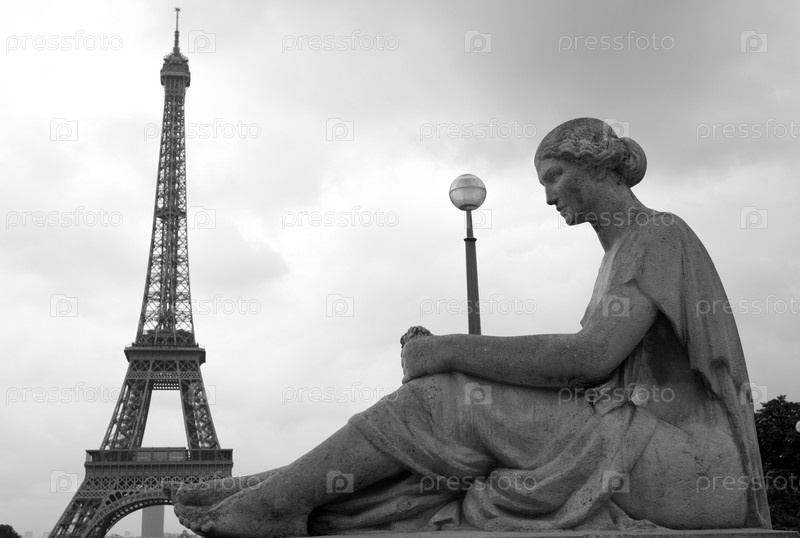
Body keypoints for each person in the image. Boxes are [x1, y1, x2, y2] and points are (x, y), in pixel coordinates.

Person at [169, 118, 771, 537]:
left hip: (688, 467)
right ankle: (279, 490)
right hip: (649, 448)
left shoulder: (656, 236)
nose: (549, 197)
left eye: (554, 176)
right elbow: (591, 371)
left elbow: (589, 358)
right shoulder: (625, 249)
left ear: (597, 167)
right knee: (452, 426)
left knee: (448, 399)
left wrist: (450, 351)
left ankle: (276, 501)